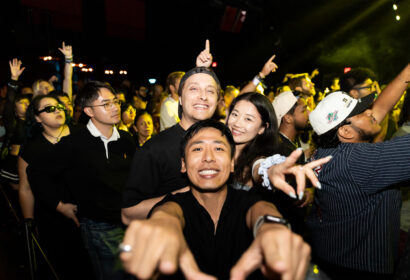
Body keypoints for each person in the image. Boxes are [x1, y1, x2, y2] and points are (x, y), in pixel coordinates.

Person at [120, 119, 313, 280]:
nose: (209, 158)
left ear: (231, 164)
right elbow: (168, 215)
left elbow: (261, 210)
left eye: (219, 149)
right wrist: (163, 224)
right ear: (183, 165)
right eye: (197, 149)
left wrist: (271, 227)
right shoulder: (174, 204)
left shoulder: (248, 200)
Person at [306, 63, 410, 279]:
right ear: (344, 130)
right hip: (360, 269)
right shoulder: (357, 160)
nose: (371, 112)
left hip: (332, 257)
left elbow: (381, 107)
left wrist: (405, 76)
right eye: (362, 112)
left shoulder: (327, 151)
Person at [42, 81, 136, 280]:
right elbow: (37, 172)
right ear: (89, 111)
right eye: (106, 104)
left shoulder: (126, 139)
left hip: (131, 222)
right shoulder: (74, 143)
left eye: (116, 102)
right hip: (100, 227)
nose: (114, 108)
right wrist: (59, 206)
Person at [122, 40, 217, 222]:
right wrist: (183, 195)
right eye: (194, 89)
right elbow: (128, 214)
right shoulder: (155, 149)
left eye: (210, 91)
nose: (203, 96)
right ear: (179, 99)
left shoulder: (223, 144)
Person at [18, 95, 91, 279]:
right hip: (51, 216)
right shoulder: (32, 148)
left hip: (87, 213)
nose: (57, 110)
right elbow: (25, 188)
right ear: (37, 118)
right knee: (59, 267)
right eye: (49, 109)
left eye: (58, 106)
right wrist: (29, 222)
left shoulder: (82, 134)